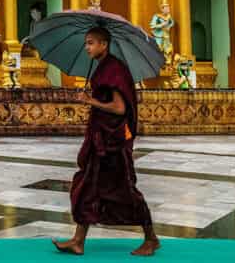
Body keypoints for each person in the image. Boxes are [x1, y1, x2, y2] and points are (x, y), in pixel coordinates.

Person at [53, 26, 159, 256]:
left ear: (104, 44)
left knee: (125, 190)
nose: (87, 47)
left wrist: (91, 101)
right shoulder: (103, 68)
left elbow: (120, 108)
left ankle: (151, 238)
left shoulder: (115, 69)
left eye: (91, 42)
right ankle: (78, 240)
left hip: (113, 143)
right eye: (86, 43)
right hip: (100, 139)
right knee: (88, 185)